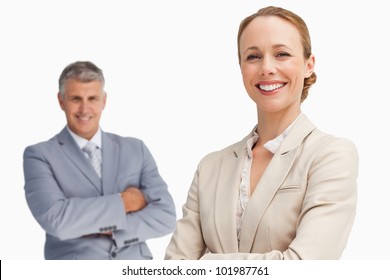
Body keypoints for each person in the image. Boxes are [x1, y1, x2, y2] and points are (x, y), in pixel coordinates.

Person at [165, 6, 358, 260]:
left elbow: (306, 267)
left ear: (308, 65)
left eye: (282, 54)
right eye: (253, 56)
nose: (266, 67)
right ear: (241, 67)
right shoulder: (210, 167)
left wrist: (207, 263)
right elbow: (173, 268)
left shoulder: (331, 156)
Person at [23, 61, 176, 260]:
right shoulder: (39, 155)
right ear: (61, 101)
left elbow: (166, 217)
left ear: (104, 101)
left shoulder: (135, 148)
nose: (84, 108)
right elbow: (58, 222)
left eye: (92, 98)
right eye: (76, 98)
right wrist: (124, 203)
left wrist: (98, 225)